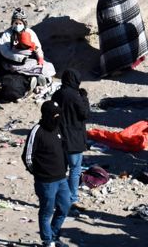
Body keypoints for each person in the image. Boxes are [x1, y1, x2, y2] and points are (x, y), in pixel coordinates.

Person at [23, 100, 71, 247]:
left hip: (61, 178)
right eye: (55, 115)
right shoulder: (37, 131)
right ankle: (47, 240)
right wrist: (38, 173)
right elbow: (27, 157)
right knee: (46, 211)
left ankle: (54, 236)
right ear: (47, 115)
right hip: (45, 181)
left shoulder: (57, 128)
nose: (58, 118)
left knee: (65, 206)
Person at [95, 0, 148, 76]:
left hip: (110, 13)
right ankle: (132, 61)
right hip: (125, 12)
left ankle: (117, 66)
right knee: (128, 38)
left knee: (116, 41)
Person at [53, 69, 89, 207]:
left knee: (61, 170)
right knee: (75, 170)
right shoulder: (75, 96)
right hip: (74, 139)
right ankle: (72, 198)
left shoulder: (56, 95)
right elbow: (84, 113)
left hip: (59, 138)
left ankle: (59, 197)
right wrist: (84, 98)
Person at [0, 9, 54, 86]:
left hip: (30, 58)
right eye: (16, 23)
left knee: (46, 65)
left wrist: (40, 58)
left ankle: (40, 78)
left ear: (24, 23)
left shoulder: (30, 32)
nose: (17, 25)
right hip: (12, 60)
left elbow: (37, 47)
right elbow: (4, 51)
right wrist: (19, 58)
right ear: (12, 23)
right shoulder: (7, 34)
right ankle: (32, 79)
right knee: (14, 70)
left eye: (20, 23)